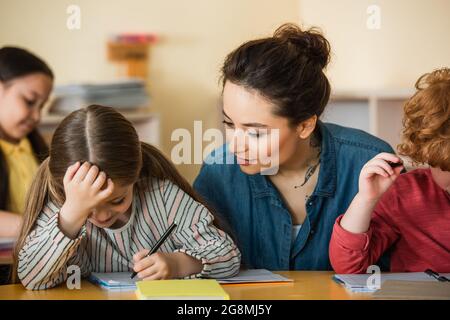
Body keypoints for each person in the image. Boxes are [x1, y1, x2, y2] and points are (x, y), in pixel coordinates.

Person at [194, 23, 394, 270]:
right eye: (229, 123)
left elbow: (395, 272)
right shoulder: (218, 172)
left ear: (304, 125)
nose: (235, 146)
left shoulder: (368, 163)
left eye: (255, 133)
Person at [15, 105, 241, 290]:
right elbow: (32, 278)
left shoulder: (161, 197)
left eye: (117, 201)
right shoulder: (60, 208)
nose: (102, 216)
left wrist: (178, 264)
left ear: (136, 176)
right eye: (88, 208)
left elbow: (228, 255)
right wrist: (72, 213)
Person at [329, 68, 450, 273]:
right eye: (447, 166)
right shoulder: (405, 194)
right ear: (426, 154)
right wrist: (366, 199)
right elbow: (349, 266)